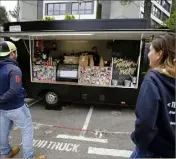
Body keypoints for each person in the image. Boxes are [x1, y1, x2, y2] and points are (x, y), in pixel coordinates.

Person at [130, 33, 175, 158]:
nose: (148, 54)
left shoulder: (153, 79)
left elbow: (145, 122)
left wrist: (140, 142)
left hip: (151, 150)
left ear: (159, 54)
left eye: (150, 50)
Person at [0, 41, 45, 158]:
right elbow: (13, 90)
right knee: (27, 129)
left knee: (3, 131)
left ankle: (6, 153)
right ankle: (29, 156)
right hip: (16, 107)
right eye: (14, 52)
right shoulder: (14, 69)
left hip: (2, 109)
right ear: (11, 53)